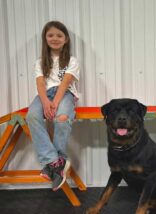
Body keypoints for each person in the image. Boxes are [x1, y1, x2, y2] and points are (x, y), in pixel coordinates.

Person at [26, 21, 80, 191]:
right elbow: (40, 84)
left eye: (59, 35)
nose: (55, 38)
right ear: (45, 39)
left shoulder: (71, 60)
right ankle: (55, 161)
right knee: (32, 116)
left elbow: (66, 82)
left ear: (66, 39)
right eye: (50, 35)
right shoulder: (40, 61)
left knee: (62, 118)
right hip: (45, 95)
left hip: (64, 94)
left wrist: (55, 103)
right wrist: (45, 102)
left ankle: (54, 164)